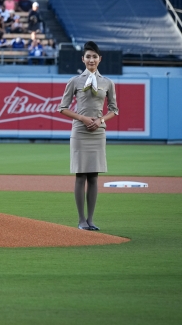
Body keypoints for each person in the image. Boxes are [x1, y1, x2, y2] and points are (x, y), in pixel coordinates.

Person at [58, 41, 119, 231]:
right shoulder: (75, 81)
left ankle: (91, 220)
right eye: (88, 56)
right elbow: (62, 108)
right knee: (80, 175)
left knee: (94, 176)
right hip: (80, 131)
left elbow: (114, 110)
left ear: (100, 59)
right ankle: (81, 220)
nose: (91, 59)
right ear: (82, 59)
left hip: (98, 132)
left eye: (94, 56)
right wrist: (83, 118)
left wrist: (100, 121)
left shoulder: (107, 82)